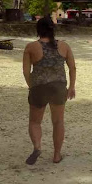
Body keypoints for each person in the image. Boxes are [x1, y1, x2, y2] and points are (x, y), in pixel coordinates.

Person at [22, 17, 76, 165]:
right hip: (58, 87)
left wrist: (31, 86)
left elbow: (26, 71)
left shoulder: (31, 47)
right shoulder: (64, 46)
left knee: (34, 121)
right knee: (58, 121)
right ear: (53, 29)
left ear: (38, 30)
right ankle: (57, 155)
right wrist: (71, 87)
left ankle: (37, 147)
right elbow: (72, 68)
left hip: (39, 86)